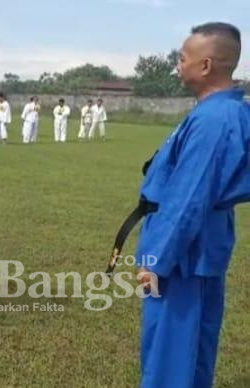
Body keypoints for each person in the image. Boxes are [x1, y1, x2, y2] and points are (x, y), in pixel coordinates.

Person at [132, 22, 250, 388]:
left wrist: (157, 261)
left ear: (206, 65)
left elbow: (188, 198)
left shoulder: (214, 119)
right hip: (196, 247)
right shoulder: (218, 113)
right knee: (192, 351)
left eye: (183, 59)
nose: (177, 65)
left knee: (171, 355)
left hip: (184, 256)